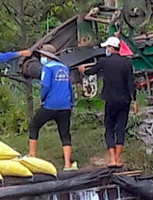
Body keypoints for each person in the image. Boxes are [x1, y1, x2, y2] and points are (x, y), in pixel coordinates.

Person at [78, 36, 137, 168]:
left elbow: (91, 72)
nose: (106, 49)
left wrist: (83, 71)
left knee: (109, 128)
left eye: (107, 47)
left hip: (110, 100)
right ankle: (118, 159)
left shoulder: (104, 61)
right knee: (121, 128)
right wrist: (135, 101)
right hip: (124, 101)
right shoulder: (127, 63)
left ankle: (111, 159)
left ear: (111, 48)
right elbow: (131, 83)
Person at [29, 45, 76, 170]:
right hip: (65, 106)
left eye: (42, 56)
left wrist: (42, 98)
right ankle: (67, 164)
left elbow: (45, 86)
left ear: (47, 56)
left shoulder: (47, 68)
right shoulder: (65, 68)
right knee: (65, 134)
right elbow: (70, 88)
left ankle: (32, 156)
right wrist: (72, 103)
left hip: (50, 105)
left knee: (34, 125)